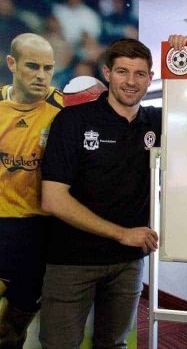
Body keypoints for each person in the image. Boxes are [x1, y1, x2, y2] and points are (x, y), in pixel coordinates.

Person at [39, 38, 159, 348]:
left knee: (114, 344)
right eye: (122, 71)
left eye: (140, 73)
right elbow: (53, 198)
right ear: (107, 72)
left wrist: (184, 53)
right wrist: (122, 234)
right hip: (72, 260)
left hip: (128, 263)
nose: (130, 82)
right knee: (58, 344)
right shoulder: (73, 121)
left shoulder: (156, 122)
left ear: (151, 77)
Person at [0, 33, 62, 348]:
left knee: (14, 325)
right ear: (12, 64)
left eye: (48, 68)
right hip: (1, 223)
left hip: (40, 230)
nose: (41, 76)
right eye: (32, 66)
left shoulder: (63, 108)